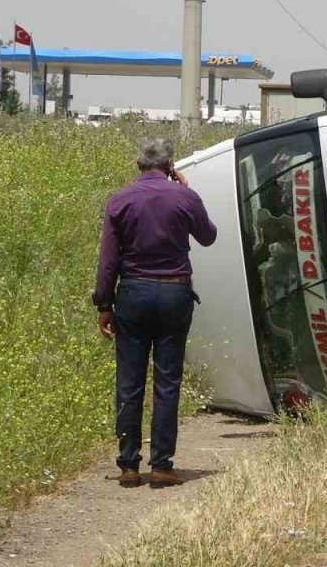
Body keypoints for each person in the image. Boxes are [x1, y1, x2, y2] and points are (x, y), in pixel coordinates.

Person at [93, 137, 218, 487]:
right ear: (170, 166)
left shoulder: (119, 200)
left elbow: (108, 260)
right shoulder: (184, 197)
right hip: (174, 292)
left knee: (129, 382)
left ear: (137, 164)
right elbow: (208, 237)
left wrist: (104, 303)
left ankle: (129, 465)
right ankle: (162, 464)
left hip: (133, 292)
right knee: (167, 380)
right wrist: (187, 192)